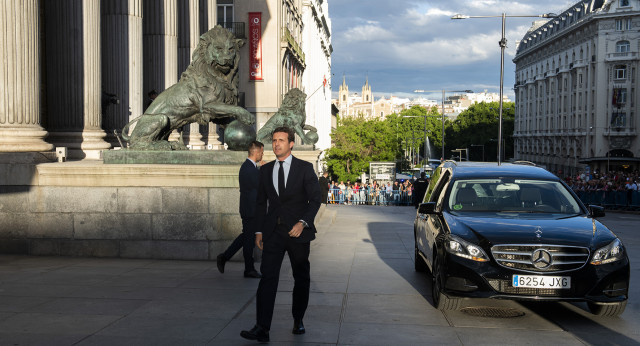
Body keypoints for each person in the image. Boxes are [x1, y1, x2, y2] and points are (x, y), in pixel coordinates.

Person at [240, 127, 321, 343]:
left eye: (281, 140)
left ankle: (298, 319)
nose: (276, 144)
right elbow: (260, 204)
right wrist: (258, 231)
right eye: (274, 140)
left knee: (301, 277)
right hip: (273, 233)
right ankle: (262, 328)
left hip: (297, 233)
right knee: (268, 278)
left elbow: (315, 199)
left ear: (291, 143)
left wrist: (303, 223)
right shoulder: (265, 171)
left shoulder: (304, 168)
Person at [217, 141, 264, 278]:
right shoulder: (249, 168)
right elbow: (259, 185)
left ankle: (225, 257)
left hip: (249, 208)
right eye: (261, 152)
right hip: (250, 209)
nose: (262, 155)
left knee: (246, 237)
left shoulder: (249, 167)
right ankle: (248, 268)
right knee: (248, 240)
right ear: (256, 152)